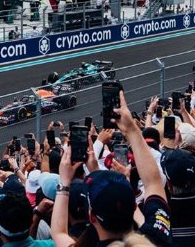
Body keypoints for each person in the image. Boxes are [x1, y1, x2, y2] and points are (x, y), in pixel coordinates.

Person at [51, 90, 172, 247]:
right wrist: (132, 130)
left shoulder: (156, 237)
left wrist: (65, 180)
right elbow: (153, 183)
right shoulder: (156, 238)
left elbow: (59, 232)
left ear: (91, 217)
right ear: (135, 205)